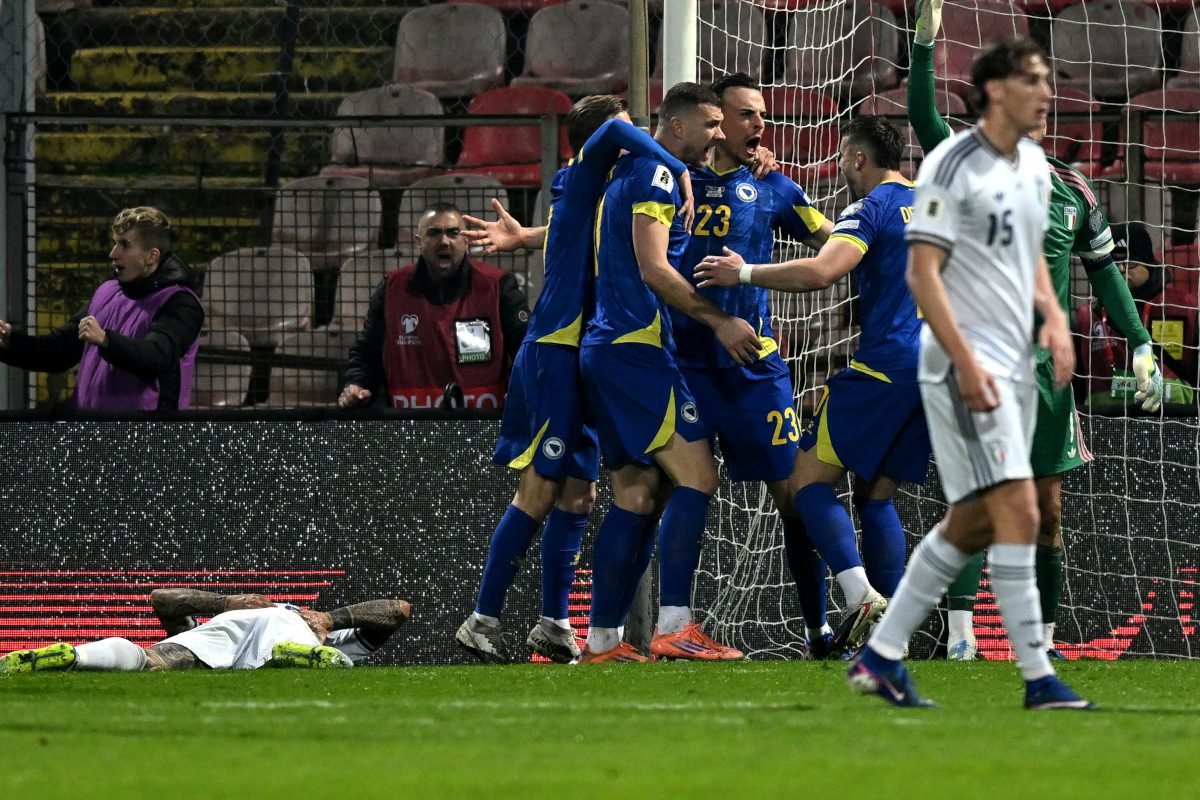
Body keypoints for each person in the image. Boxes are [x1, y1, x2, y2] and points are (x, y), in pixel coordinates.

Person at [908, 0, 1163, 661]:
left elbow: (1105, 275)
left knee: (1048, 511)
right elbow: (925, 118)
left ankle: (1041, 643)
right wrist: (922, 45)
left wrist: (1140, 343)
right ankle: (961, 640)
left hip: (1046, 374)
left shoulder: (1073, 190)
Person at [848, 37, 1095, 709]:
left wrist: (1054, 318)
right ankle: (1038, 676)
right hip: (962, 360)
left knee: (974, 522)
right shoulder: (949, 165)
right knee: (1018, 507)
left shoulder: (1036, 165)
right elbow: (922, 274)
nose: (1048, 94)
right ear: (994, 91)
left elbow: (1032, 254)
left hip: (1015, 362)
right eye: (1033, 81)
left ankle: (880, 656)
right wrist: (965, 362)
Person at [454, 95, 694, 665]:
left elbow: (574, 229)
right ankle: (481, 621)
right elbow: (612, 134)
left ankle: (555, 624)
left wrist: (526, 238)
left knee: (580, 494)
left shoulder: (598, 190)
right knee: (538, 488)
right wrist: (679, 168)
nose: (636, 141)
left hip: (586, 352)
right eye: (628, 131)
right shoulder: (583, 169)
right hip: (555, 348)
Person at [695, 114, 930, 655]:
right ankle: (887, 640)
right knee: (876, 497)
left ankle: (861, 599)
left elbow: (825, 271)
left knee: (804, 484)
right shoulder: (934, 203)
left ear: (858, 158)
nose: (840, 167)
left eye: (842, 157)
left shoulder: (869, 208)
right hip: (936, 370)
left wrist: (744, 272)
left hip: (884, 367)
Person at [576, 82, 759, 663]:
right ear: (676, 126)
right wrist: (719, 322)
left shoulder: (626, 172)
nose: (718, 135)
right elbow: (654, 268)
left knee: (636, 494)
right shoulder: (655, 173)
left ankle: (602, 641)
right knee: (698, 476)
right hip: (636, 349)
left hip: (608, 347)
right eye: (711, 125)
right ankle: (676, 625)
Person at [661, 72, 839, 659]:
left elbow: (834, 245)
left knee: (795, 493)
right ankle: (658, 627)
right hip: (680, 363)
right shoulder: (668, 179)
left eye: (762, 115)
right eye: (745, 115)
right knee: (656, 492)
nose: (760, 125)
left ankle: (818, 630)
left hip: (751, 368)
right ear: (713, 123)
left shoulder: (774, 188)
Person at [0, 206, 203, 410]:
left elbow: (156, 358)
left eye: (125, 245)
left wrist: (106, 340)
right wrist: (10, 343)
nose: (113, 254)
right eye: (115, 243)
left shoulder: (180, 303)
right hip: (91, 427)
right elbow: (59, 351)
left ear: (152, 256)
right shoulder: (106, 292)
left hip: (147, 430)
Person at [338, 202, 530, 411]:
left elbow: (527, 349)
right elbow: (367, 352)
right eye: (434, 233)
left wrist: (523, 388)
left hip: (483, 424)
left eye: (453, 233)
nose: (444, 241)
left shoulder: (498, 286)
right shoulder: (392, 289)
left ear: (466, 241)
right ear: (419, 242)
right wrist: (357, 384)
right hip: (412, 425)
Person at [0, 588, 413, 672]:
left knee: (152, 660)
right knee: (332, 663)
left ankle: (77, 654)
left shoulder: (209, 628)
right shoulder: (333, 640)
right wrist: (329, 622)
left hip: (231, 626)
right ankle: (289, 657)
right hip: (296, 637)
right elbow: (398, 610)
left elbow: (396, 610)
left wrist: (226, 604)